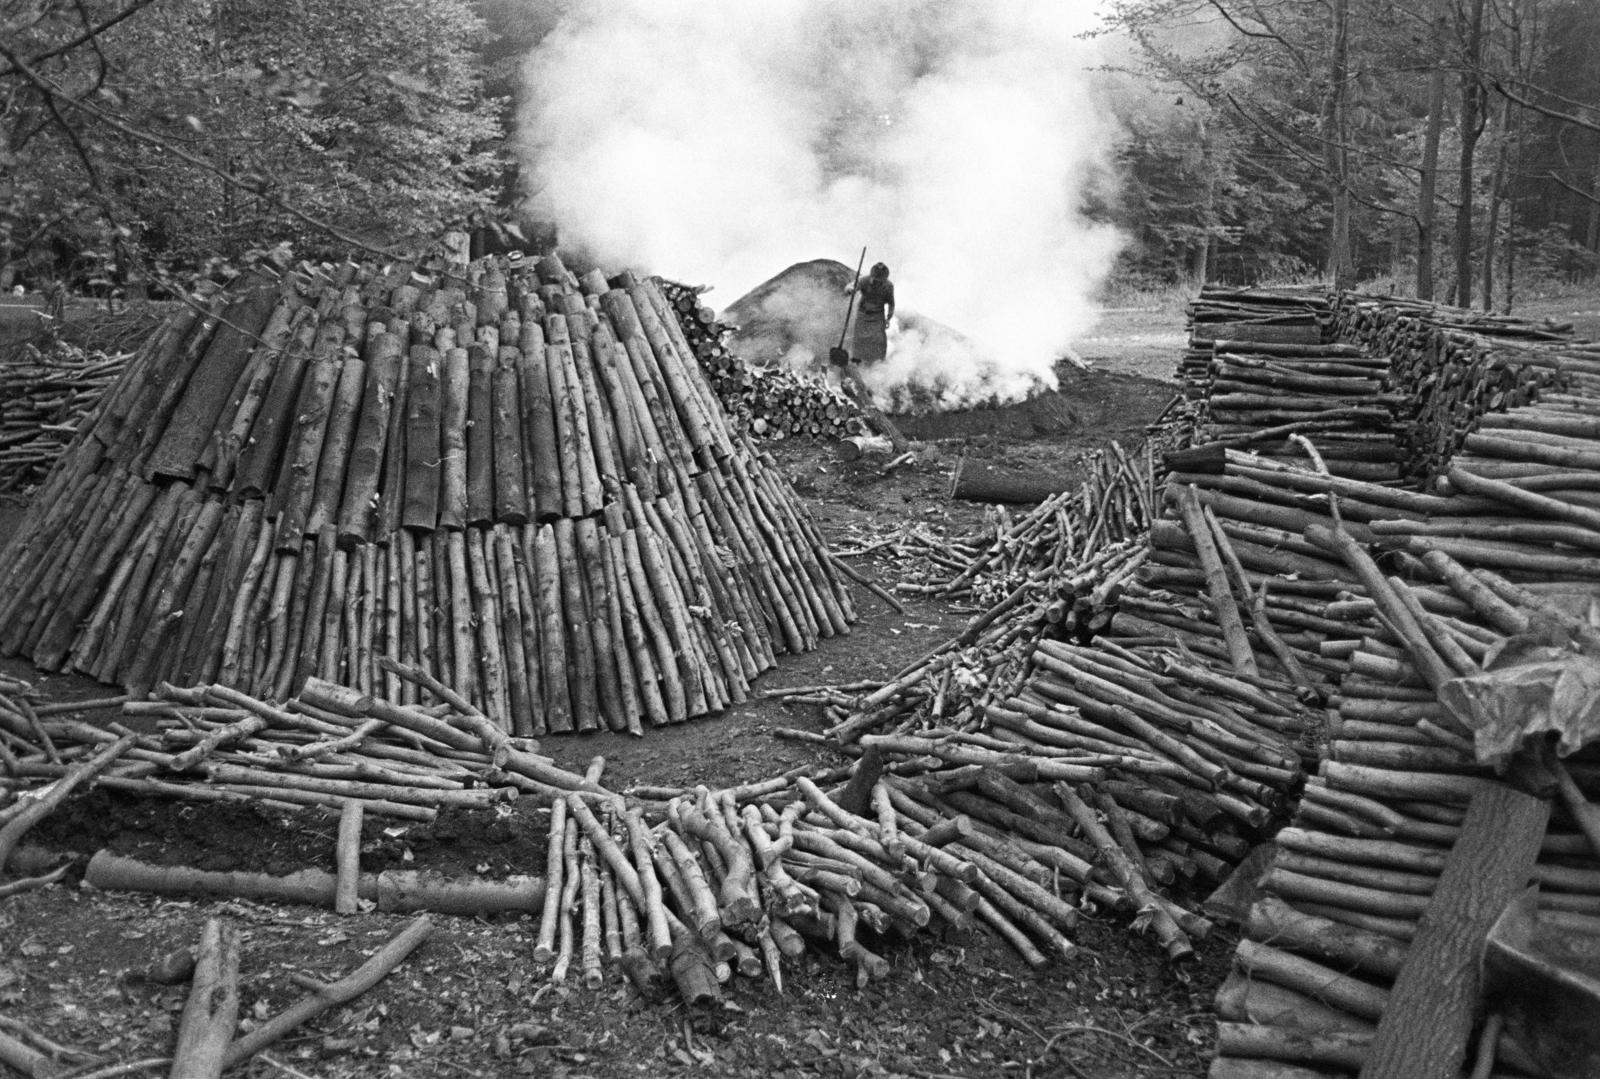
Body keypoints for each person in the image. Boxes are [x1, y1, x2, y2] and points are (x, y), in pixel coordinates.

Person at [850, 262, 895, 365]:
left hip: (878, 315)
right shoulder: (864, 280)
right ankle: (856, 360)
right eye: (875, 280)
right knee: (859, 338)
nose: (877, 283)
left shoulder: (888, 286)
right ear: (872, 276)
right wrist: (850, 290)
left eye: (880, 281)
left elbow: (891, 303)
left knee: (880, 340)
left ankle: (878, 362)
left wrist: (888, 317)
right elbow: (852, 286)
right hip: (863, 313)